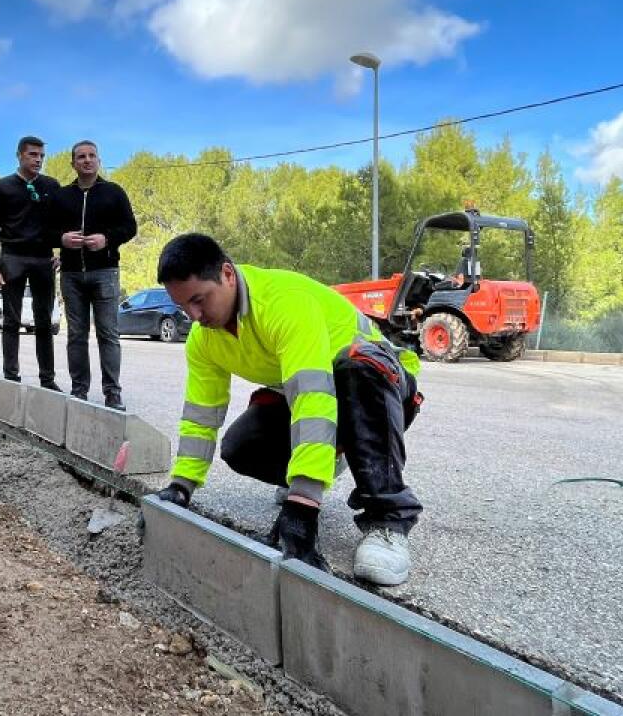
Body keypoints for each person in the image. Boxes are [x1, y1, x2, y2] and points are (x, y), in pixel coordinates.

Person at [153, 233, 424, 586]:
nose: (194, 315)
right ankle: (330, 460)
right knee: (241, 445)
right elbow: (201, 415)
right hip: (329, 402)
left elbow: (312, 396)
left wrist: (303, 501)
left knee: (358, 366)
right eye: (183, 307)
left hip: (384, 389)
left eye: (199, 300)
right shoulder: (204, 339)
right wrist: (180, 488)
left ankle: (388, 520)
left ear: (227, 274)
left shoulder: (283, 302)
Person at [47, 140, 136, 410]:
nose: (87, 160)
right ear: (73, 163)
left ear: (99, 160)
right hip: (72, 275)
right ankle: (79, 391)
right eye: (81, 157)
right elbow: (45, 231)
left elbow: (130, 227)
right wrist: (61, 239)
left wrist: (107, 239)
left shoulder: (114, 192)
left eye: (92, 156)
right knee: (76, 335)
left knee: (108, 334)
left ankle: (112, 393)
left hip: (105, 273)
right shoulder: (62, 196)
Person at [0, 136, 62, 390]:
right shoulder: (3, 186)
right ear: (19, 155)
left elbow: (63, 222)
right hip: (12, 258)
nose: (38, 159)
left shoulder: (52, 185)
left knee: (44, 322)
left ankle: (47, 380)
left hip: (43, 260)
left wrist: (62, 252)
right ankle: (10, 376)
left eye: (41, 155)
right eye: (32, 154)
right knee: (11, 320)